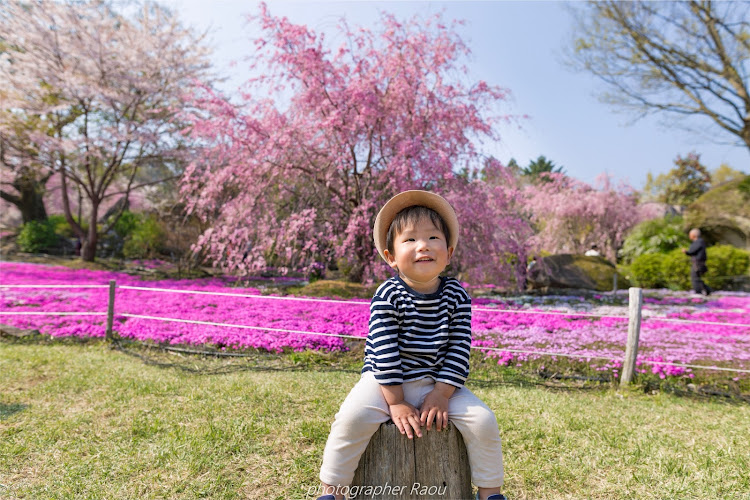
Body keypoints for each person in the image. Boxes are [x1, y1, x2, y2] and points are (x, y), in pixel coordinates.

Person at [317, 190, 506, 500]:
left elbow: (460, 348)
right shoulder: (388, 296)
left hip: (439, 381)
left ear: (449, 252)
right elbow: (384, 351)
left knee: (483, 420)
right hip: (385, 381)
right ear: (390, 256)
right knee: (351, 419)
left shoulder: (457, 296)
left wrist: (442, 393)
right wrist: (396, 402)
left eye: (433, 237)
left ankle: (490, 492)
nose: (423, 246)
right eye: (410, 240)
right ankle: (332, 491)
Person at [683, 228, 711, 296]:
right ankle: (707, 290)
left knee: (695, 278)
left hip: (698, 263)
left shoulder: (698, 242)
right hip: (698, 263)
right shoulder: (699, 242)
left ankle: (698, 292)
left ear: (693, 235)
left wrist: (686, 252)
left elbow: (692, 251)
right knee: (697, 278)